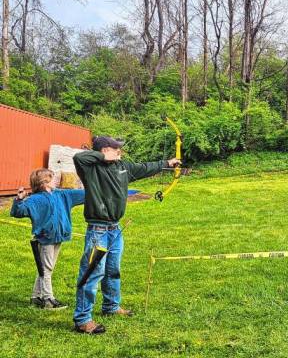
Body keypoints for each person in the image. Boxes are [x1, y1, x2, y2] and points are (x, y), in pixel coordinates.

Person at [72, 136, 180, 335]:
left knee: (113, 269)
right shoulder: (90, 169)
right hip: (98, 229)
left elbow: (143, 167)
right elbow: (79, 157)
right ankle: (82, 319)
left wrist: (167, 163)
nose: (119, 152)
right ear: (104, 150)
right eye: (115, 149)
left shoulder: (122, 167)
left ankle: (111, 306)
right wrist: (103, 156)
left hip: (115, 228)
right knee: (92, 273)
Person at [10, 169, 85, 310]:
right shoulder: (35, 199)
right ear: (44, 183)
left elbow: (86, 195)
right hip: (46, 238)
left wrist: (101, 189)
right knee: (46, 269)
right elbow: (17, 212)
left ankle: (36, 297)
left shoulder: (62, 195)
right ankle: (48, 300)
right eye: (53, 179)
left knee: (44, 268)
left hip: (59, 237)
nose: (56, 181)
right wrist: (19, 200)